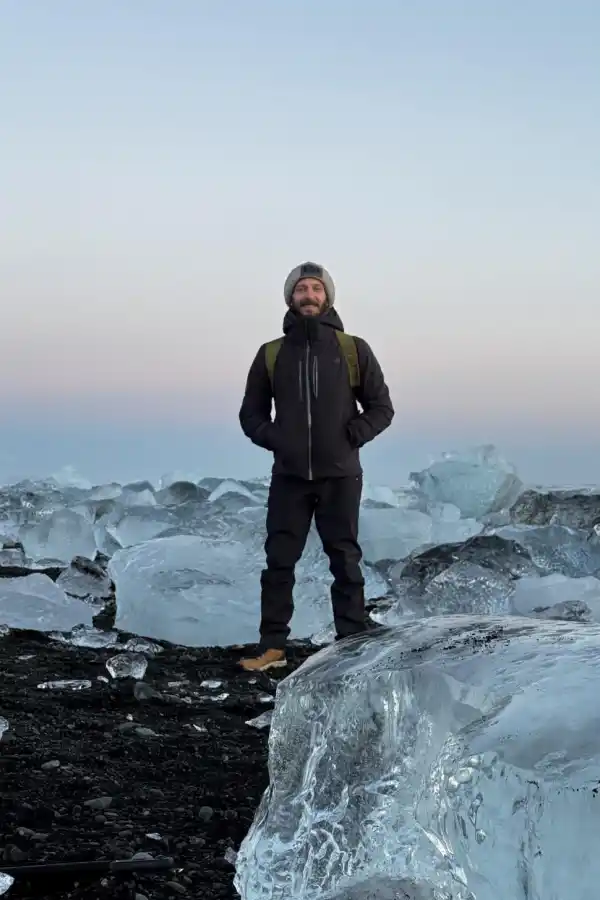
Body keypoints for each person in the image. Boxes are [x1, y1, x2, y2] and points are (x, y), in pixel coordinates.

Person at [238, 262, 394, 671]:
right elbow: (250, 415)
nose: (309, 295)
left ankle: (352, 645)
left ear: (328, 297)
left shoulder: (352, 349)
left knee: (345, 560)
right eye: (302, 289)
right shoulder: (271, 353)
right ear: (290, 298)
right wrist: (279, 440)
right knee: (278, 562)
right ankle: (272, 648)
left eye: (316, 288)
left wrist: (351, 435)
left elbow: (381, 408)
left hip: (340, 475)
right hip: (289, 477)